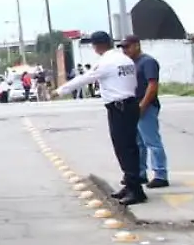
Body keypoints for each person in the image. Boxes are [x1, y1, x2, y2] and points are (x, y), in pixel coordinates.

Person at [56, 31, 146, 204]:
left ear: (97, 46)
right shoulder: (125, 60)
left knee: (124, 149)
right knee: (130, 147)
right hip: (130, 104)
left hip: (119, 108)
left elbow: (84, 79)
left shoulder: (106, 62)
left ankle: (136, 190)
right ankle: (130, 184)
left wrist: (60, 91)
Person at [124, 36, 168, 188]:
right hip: (134, 106)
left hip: (146, 106)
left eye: (127, 47)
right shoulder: (131, 63)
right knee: (138, 143)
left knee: (152, 142)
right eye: (123, 47)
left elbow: (152, 85)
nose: (125, 50)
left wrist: (143, 105)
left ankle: (161, 174)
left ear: (137, 45)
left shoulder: (147, 62)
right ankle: (140, 174)